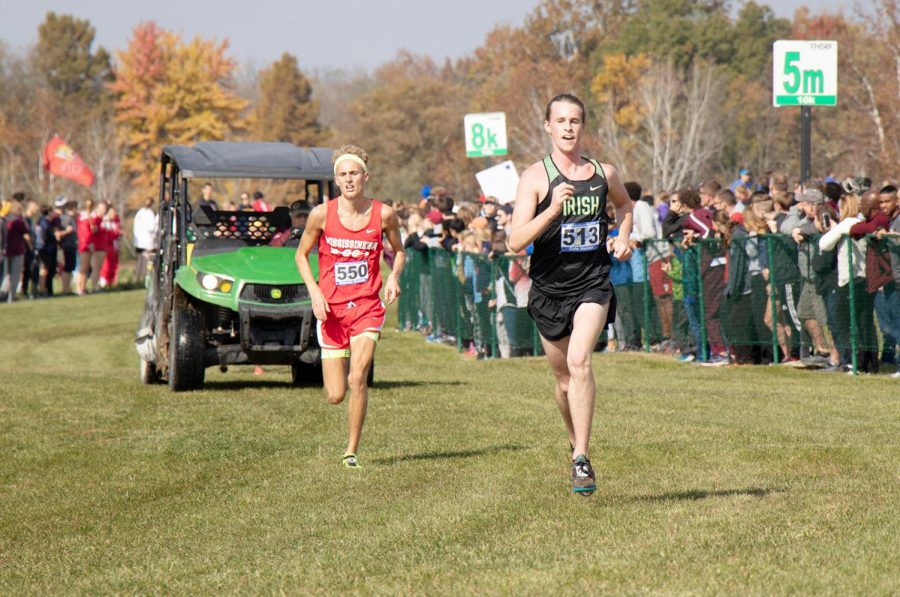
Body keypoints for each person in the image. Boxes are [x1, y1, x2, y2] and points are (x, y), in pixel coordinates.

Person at [509, 93, 633, 495]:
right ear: (548, 126)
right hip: (548, 289)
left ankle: (582, 457)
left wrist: (623, 237)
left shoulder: (603, 173)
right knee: (563, 381)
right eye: (560, 121)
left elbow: (625, 205)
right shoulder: (535, 178)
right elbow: (515, 241)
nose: (568, 127)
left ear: (583, 126)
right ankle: (573, 438)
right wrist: (551, 210)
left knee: (581, 361)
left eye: (575, 121)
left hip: (593, 282)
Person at [295, 144, 406, 469]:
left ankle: (351, 450)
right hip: (331, 312)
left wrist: (393, 277)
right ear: (336, 179)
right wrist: (315, 291)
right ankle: (339, 379)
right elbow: (301, 255)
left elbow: (399, 250)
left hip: (367, 309)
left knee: (358, 377)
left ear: (365, 176)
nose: (348, 179)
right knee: (335, 394)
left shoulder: (383, 214)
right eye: (342, 174)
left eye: (353, 173)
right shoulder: (321, 214)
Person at [1, 199, 31, 302]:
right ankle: (11, 296)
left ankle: (3, 294)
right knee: (15, 274)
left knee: (5, 274)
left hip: (6, 250)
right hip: (17, 249)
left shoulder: (5, 219)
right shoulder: (19, 220)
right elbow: (26, 232)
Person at [133, 197, 158, 284]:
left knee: (140, 260)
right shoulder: (149, 214)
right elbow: (151, 227)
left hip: (139, 242)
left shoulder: (140, 212)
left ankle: (137, 277)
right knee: (145, 260)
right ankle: (143, 278)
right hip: (146, 241)